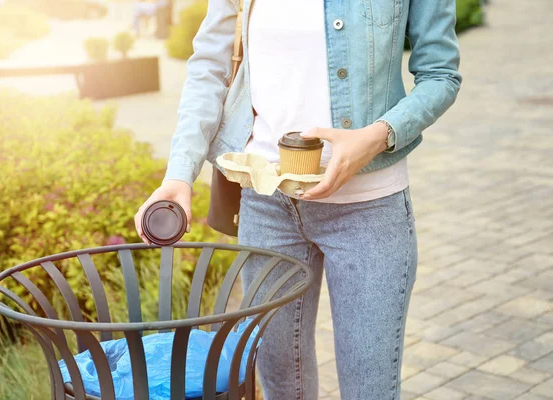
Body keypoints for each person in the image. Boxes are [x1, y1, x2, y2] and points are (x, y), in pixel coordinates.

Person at [135, 0, 461, 398]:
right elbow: (208, 67)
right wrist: (179, 174)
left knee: (369, 391)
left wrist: (378, 135)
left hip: (368, 209)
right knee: (282, 389)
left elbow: (440, 74)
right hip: (266, 203)